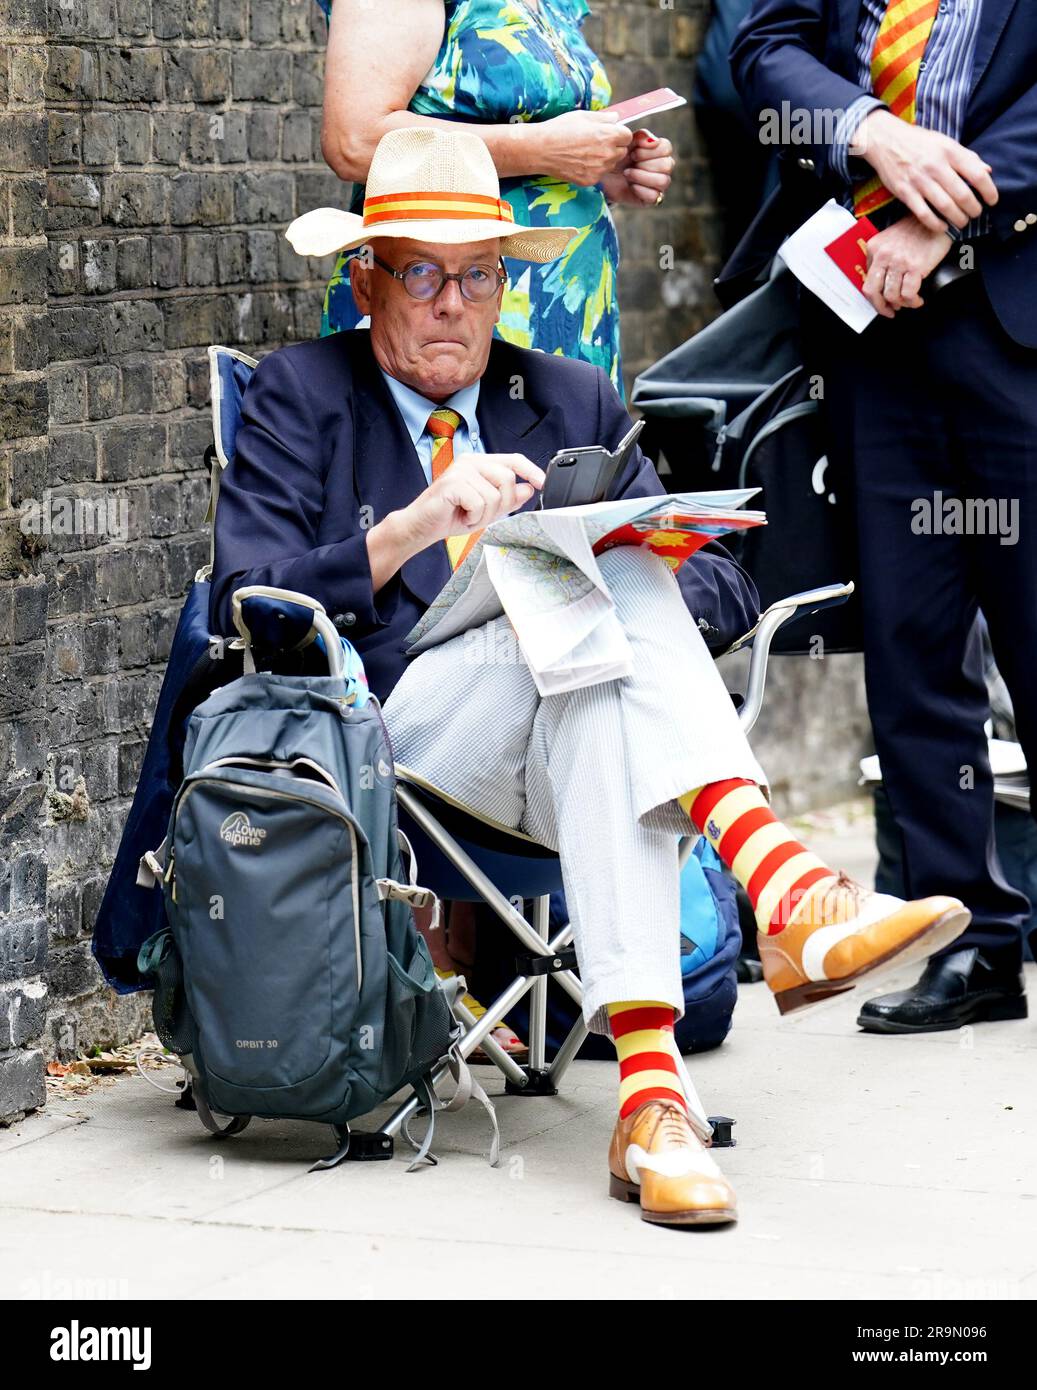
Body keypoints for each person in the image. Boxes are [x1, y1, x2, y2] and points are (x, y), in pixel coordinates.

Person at [212, 128, 971, 1227]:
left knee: (603, 619)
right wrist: (416, 527)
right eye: (420, 273)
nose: (451, 304)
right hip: (395, 735)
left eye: (478, 276)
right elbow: (251, 597)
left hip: (568, 735)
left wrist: (630, 559)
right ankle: (783, 889)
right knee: (593, 615)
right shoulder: (299, 395)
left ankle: (651, 1103)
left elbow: (720, 585)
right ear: (365, 278)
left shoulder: (567, 396)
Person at [728, 0, 1037, 1033]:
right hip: (866, 317)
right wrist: (868, 127)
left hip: (1014, 315)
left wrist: (949, 210)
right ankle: (970, 946)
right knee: (907, 641)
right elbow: (761, 50)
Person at [311, 0, 675, 389]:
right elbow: (354, 141)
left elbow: (534, 143)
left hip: (567, 311)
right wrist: (541, 149)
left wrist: (603, 172)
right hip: (448, 302)